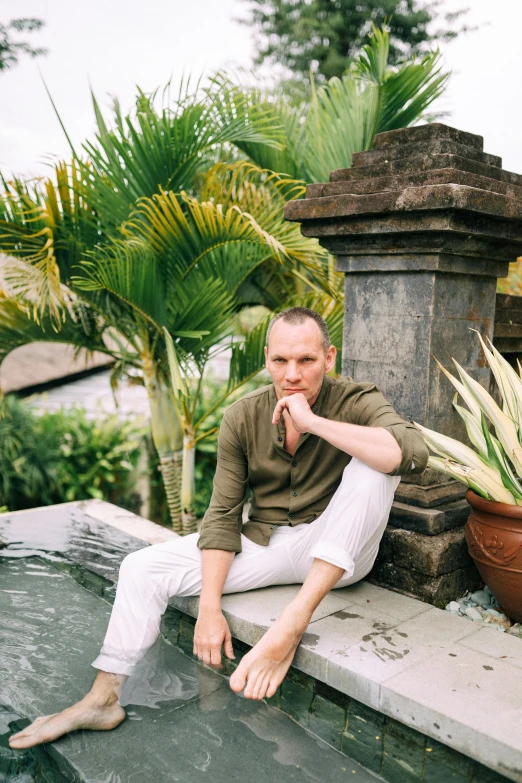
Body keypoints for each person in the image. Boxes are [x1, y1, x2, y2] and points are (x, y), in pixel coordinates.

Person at [9, 307, 428, 749]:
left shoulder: (357, 400)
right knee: (140, 568)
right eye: (280, 360)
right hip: (271, 541)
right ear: (265, 358)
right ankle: (101, 700)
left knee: (376, 466)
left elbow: (413, 454)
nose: (292, 374)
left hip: (342, 553)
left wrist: (313, 424)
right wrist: (209, 607)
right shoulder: (243, 416)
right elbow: (224, 514)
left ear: (329, 357)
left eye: (306, 360)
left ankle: (292, 621)